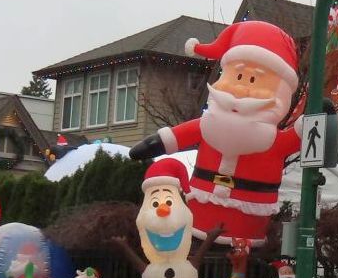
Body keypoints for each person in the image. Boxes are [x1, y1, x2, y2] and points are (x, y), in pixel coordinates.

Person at [129, 21, 301, 247]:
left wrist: (313, 121)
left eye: (253, 80)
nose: (241, 89)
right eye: (238, 76)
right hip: (200, 215)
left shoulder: (274, 140)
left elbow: (297, 137)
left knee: (238, 258)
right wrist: (156, 143)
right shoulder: (208, 125)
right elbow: (177, 136)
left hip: (249, 223)